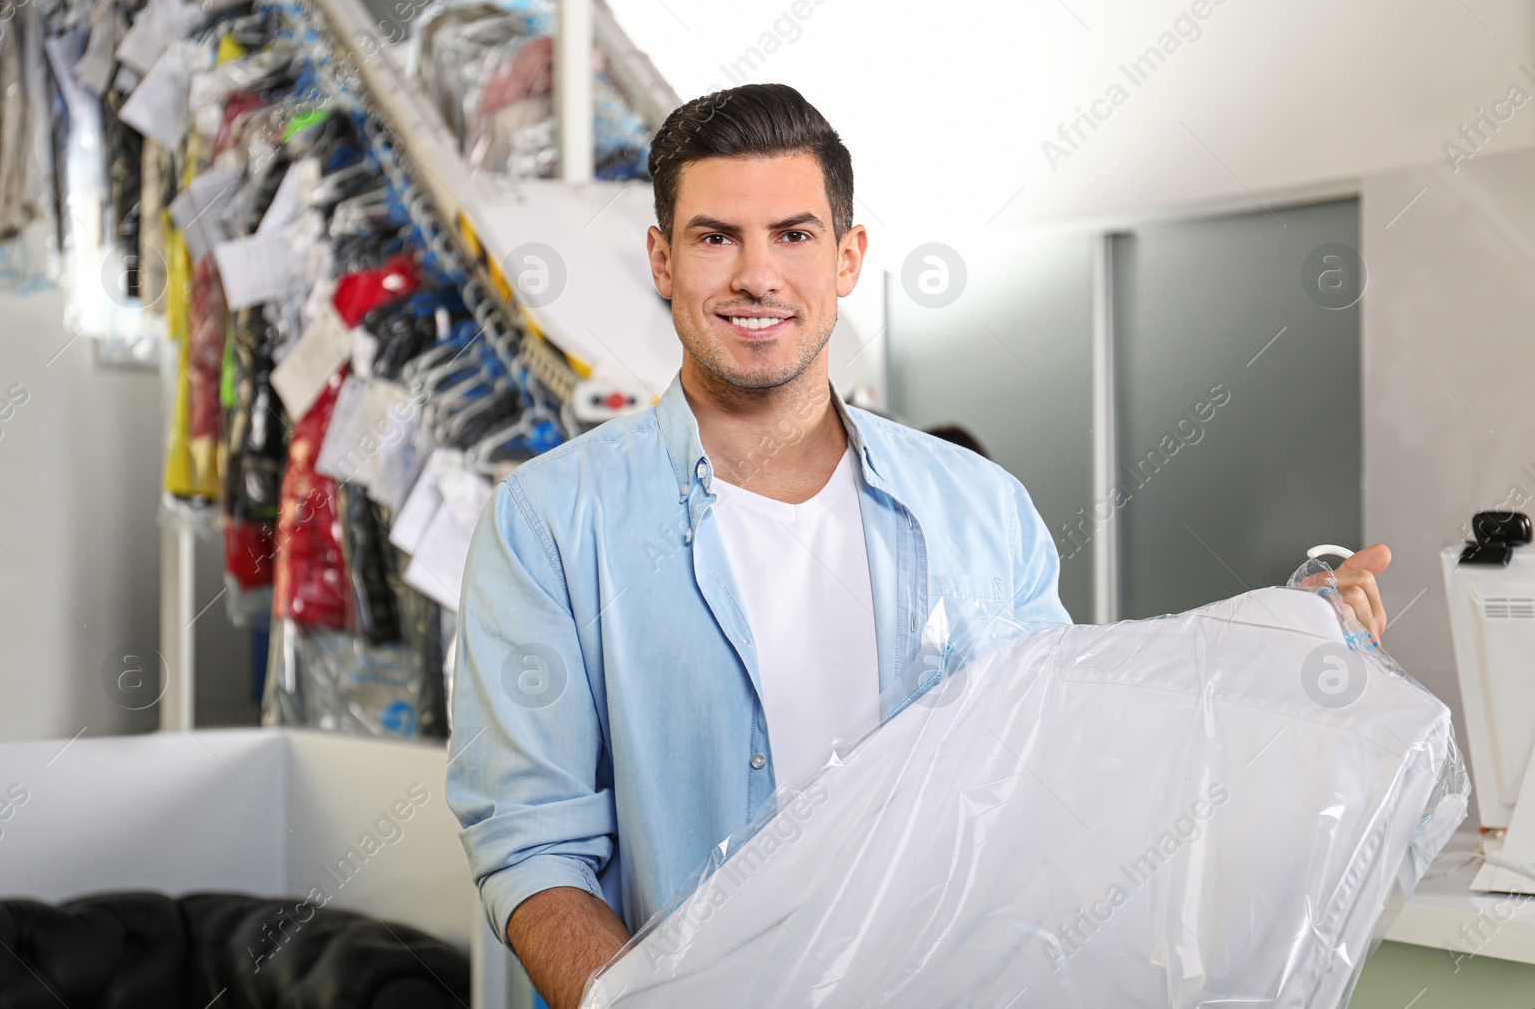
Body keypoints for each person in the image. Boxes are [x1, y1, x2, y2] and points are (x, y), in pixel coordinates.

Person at [445, 83, 1392, 1009]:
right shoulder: (550, 525)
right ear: (661, 259)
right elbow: (534, 847)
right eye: (715, 237)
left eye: (794, 235)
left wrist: (1281, 639)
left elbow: (1064, 762)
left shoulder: (983, 508)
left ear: (848, 257)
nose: (757, 276)